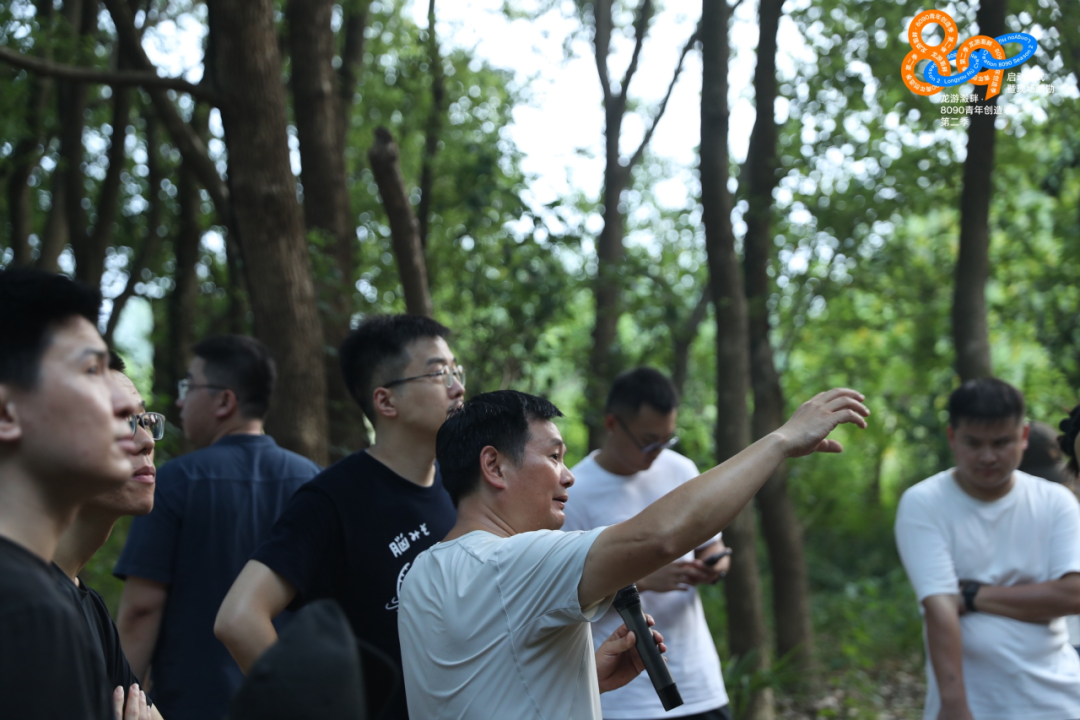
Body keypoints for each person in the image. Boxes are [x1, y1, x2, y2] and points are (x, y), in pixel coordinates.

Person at [398, 387, 868, 720]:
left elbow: (476, 692)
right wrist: (781, 440)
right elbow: (659, 538)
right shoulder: (510, 562)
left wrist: (582, 679)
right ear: (494, 465)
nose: (569, 476)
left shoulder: (419, 574)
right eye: (554, 456)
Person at [216, 315, 464, 719]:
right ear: (386, 401)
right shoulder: (333, 499)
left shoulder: (459, 487)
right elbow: (239, 618)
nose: (458, 387)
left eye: (456, 370)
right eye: (439, 374)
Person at [114, 335, 321, 720]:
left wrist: (121, 699)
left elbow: (141, 610)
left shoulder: (172, 482)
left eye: (188, 387)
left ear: (225, 401)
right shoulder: (315, 483)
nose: (180, 401)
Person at [0, 267, 147, 720]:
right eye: (90, 371)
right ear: (7, 414)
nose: (122, 407)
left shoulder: (46, 604)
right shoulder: (26, 616)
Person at [895, 378, 1080, 720]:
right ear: (952, 437)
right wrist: (954, 705)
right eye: (973, 443)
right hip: (976, 703)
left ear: (1023, 436)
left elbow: (1073, 595)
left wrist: (972, 596)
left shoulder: (1056, 502)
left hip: (1060, 701)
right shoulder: (925, 503)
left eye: (1001, 442)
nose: (988, 456)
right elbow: (940, 609)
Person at [563, 368, 731, 720]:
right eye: (649, 440)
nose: (658, 452)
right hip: (625, 697)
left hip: (698, 681)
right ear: (612, 424)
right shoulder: (574, 495)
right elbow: (567, 593)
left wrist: (713, 565)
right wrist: (644, 580)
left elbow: (712, 547)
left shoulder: (681, 470)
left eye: (667, 440)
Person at [53, 352, 166, 720]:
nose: (147, 440)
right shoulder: (18, 605)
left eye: (145, 420)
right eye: (120, 421)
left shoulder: (91, 609)